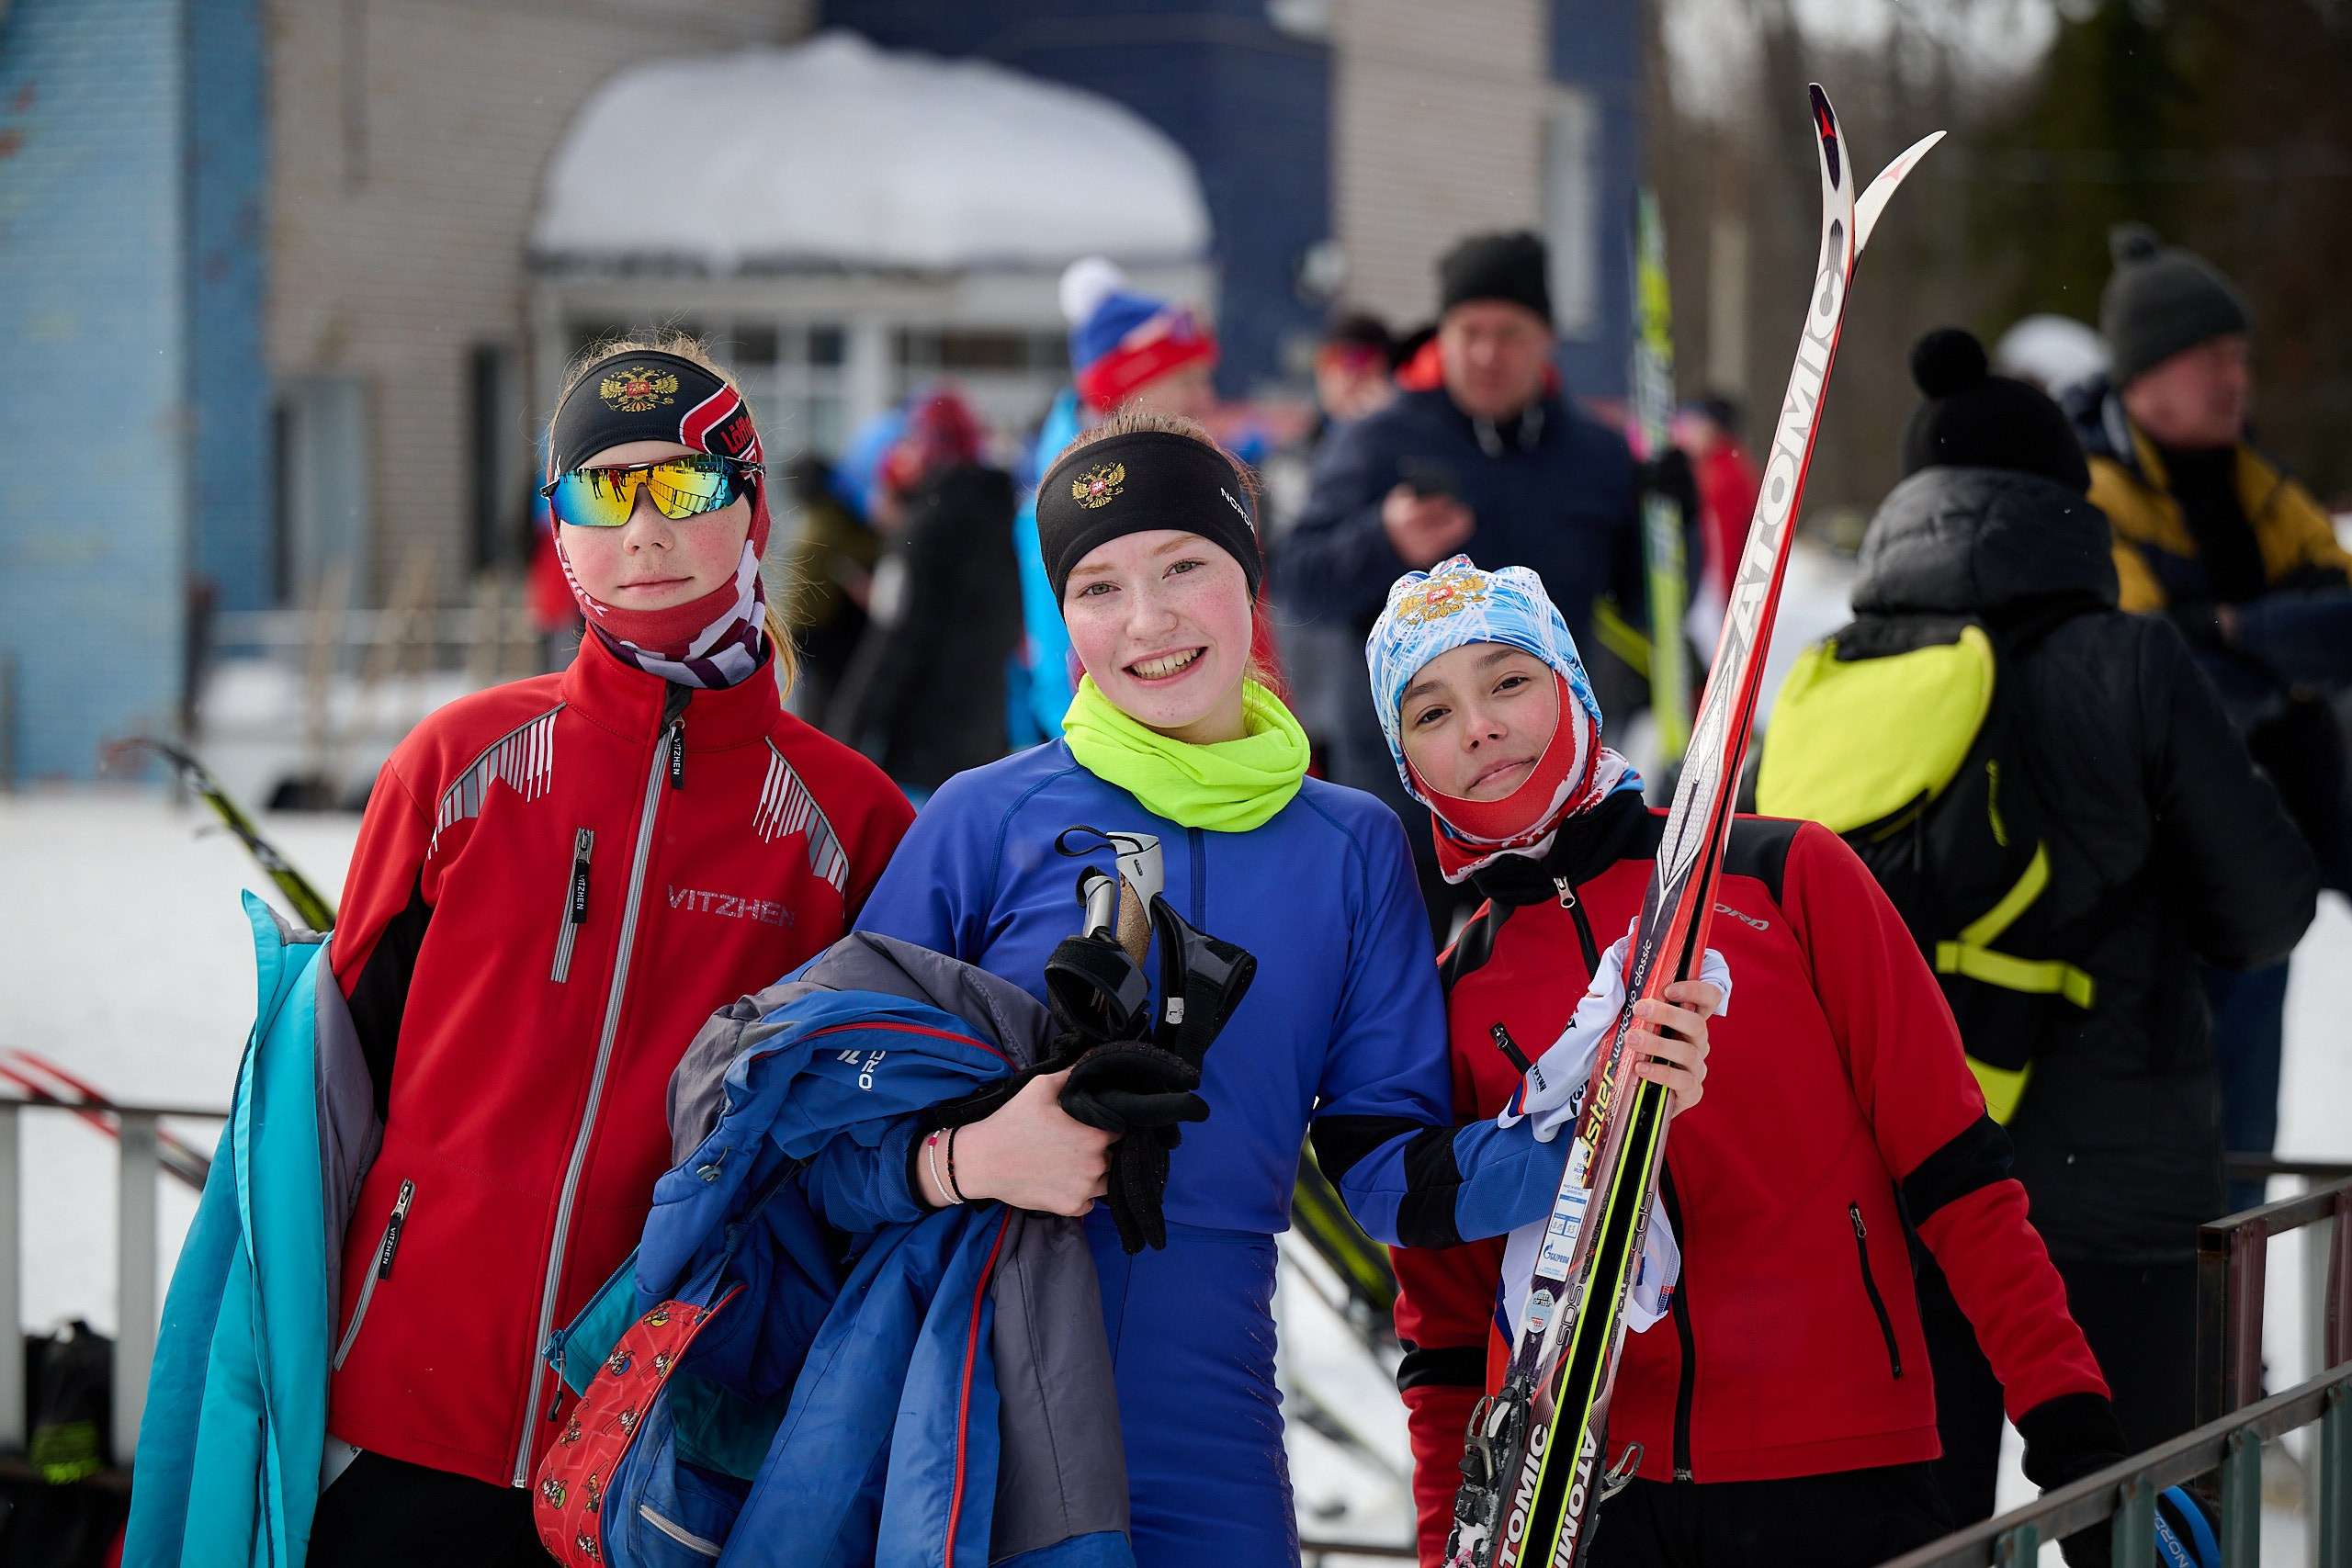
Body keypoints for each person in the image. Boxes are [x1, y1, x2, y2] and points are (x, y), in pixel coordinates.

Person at [806, 409, 1710, 1568]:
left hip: (1211, 1407)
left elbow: (1387, 1171)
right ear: (1062, 616)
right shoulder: (982, 820)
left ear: (1248, 577)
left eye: (1184, 566)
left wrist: (1594, 1132)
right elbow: (825, 1130)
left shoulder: (1350, 846)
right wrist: (966, 1158)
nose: (1147, 621)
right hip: (973, 1384)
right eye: (1098, 586)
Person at [1377, 554, 2135, 1568]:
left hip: (1844, 1470)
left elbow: (1956, 1172)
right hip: (1595, 1501)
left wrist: (2068, 1426)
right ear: (1408, 762)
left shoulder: (1785, 874)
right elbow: (1447, 1331)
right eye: (1430, 712)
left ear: (1571, 683)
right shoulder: (1449, 993)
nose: (1477, 727)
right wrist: (1448, 1545)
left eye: (1508, 680)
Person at [299, 338, 914, 1565]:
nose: (643, 528)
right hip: (407, 1405)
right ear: (560, 528)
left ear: (751, 513)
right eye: (602, 487)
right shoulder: (458, 763)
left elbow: (858, 1138)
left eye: (683, 486)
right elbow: (333, 1093)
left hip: (670, 1434)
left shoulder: (850, 824)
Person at [1775, 328, 2315, 1513]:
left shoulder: (1827, 677)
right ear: (2070, 506)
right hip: (2113, 1205)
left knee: (1925, 1534)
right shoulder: (2133, 661)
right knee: (2144, 1528)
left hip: (1899, 1197)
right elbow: (2266, 907)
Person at [2066, 223, 2352, 1208]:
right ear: (2145, 373)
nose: (2235, 379)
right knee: (2175, 1148)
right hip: (2149, 870)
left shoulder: (2252, 481)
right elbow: (2155, 667)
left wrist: (2229, 623)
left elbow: (2345, 620)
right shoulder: (2091, 486)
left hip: (2263, 857)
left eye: (2240, 358)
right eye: (2211, 358)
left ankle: (2230, 1351)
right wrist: (2272, 650)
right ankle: (2183, 1348)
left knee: (2247, 1142)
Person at [1281, 231, 1644, 942]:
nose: (1486, 353)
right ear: (1441, 336)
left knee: (1549, 997)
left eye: (1509, 333)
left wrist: (1675, 518)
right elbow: (1299, 579)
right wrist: (1383, 538)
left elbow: (1643, 603)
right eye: (1468, 332)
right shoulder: (1379, 440)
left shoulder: (1596, 455)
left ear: (1545, 340)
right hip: (1404, 799)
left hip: (1550, 789)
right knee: (1404, 1000)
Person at [1009, 258, 1225, 749]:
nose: (1205, 397)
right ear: (1130, 383)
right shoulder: (1065, 495)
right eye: (1187, 377)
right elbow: (1056, 666)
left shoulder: (1178, 466)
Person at [826, 385, 1023, 797]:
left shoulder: (924, 528)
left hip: (919, 750)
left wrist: (845, 735)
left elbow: (894, 640)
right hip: (982, 744)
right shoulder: (1006, 517)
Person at [772, 452, 877, 723]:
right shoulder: (847, 514)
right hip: (840, 636)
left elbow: (802, 600)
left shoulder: (819, 530)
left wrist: (791, 638)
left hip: (822, 639)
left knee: (820, 719)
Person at [1671, 394, 1761, 654]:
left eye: (1693, 423)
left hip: (1714, 595)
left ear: (1712, 428)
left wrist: (1720, 601)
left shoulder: (1719, 475)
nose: (1685, 432)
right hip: (1718, 594)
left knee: (1708, 656)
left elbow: (1723, 546)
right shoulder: (1721, 467)